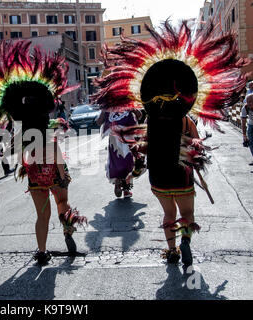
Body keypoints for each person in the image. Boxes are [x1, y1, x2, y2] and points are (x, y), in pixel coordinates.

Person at [93, 20, 248, 268]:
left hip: (159, 178)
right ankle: (185, 239)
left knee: (168, 214)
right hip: (182, 177)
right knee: (187, 214)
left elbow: (141, 147)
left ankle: (172, 250)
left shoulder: (151, 122)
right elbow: (197, 144)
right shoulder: (186, 120)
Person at [0, 40, 87, 265]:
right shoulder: (45, 128)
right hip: (54, 170)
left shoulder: (24, 130)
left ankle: (43, 251)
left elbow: (21, 154)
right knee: (62, 203)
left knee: (41, 215)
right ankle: (67, 231)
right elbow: (53, 149)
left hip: (34, 171)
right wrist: (62, 174)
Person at [96, 109, 143, 198]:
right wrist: (104, 109)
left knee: (123, 161)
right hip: (118, 139)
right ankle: (124, 187)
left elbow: (139, 115)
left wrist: (131, 108)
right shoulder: (109, 108)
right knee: (126, 161)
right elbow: (139, 115)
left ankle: (121, 183)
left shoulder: (124, 104)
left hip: (124, 138)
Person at [242, 94, 253, 165]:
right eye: (248, 101)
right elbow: (243, 122)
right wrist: (244, 135)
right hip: (251, 125)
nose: (250, 103)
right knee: (251, 143)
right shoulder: (245, 108)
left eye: (252, 101)